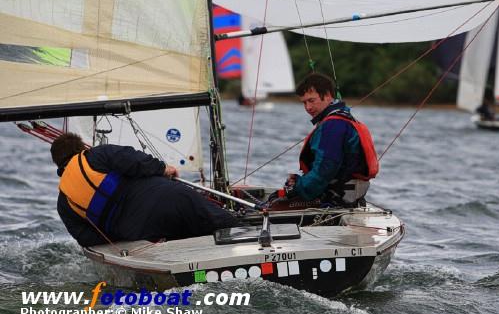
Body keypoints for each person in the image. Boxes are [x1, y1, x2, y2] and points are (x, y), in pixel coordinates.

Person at [50, 133, 238, 247]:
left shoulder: (64, 202)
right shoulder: (97, 155)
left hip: (142, 232)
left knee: (184, 239)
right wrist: (164, 168)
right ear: (82, 147)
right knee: (230, 226)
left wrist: (122, 232)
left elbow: (86, 238)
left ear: (58, 164)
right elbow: (135, 160)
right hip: (175, 199)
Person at [280, 73, 378, 207]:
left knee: (274, 202)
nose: (307, 108)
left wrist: (297, 187)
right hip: (348, 198)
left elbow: (325, 169)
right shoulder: (344, 119)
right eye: (304, 102)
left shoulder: (333, 126)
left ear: (327, 96)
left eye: (311, 100)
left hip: (333, 201)